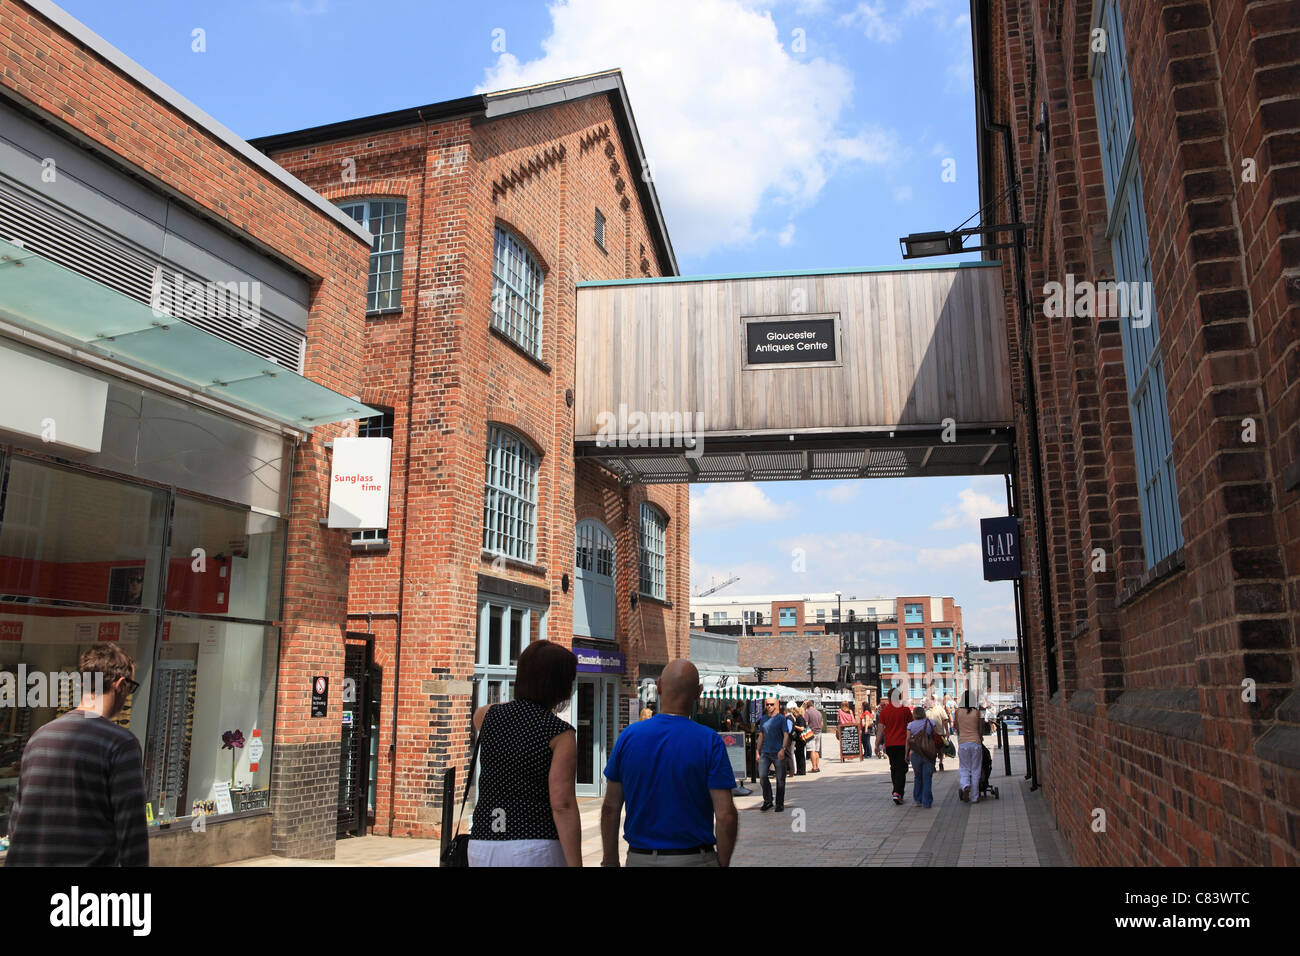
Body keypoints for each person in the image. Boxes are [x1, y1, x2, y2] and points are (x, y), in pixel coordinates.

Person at [5, 643, 148, 866]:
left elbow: (17, 822)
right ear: (120, 685)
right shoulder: (121, 744)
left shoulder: (38, 738)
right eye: (131, 687)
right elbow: (132, 832)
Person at [600, 660, 738, 867]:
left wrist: (610, 859)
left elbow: (610, 807)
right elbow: (725, 814)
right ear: (698, 692)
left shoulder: (628, 737)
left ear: (660, 686)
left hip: (640, 858)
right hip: (695, 857)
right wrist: (722, 862)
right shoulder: (709, 741)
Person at [467, 641, 581, 866]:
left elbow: (486, 714)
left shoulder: (487, 716)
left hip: (483, 841)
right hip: (535, 844)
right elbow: (562, 804)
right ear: (559, 685)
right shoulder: (560, 733)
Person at [877, 686, 913, 805]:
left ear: (888, 698)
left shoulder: (884, 711)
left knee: (894, 767)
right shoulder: (905, 710)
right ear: (900, 697)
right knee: (902, 769)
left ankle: (896, 792)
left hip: (890, 744)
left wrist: (877, 744)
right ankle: (898, 792)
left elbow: (881, 730)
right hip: (903, 744)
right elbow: (912, 727)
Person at [755, 698, 790, 812]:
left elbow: (786, 735)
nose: (769, 706)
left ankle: (779, 803)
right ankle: (768, 800)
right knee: (763, 776)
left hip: (777, 751)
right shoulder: (763, 719)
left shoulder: (781, 719)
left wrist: (783, 749)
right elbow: (761, 735)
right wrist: (757, 750)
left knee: (780, 779)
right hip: (765, 751)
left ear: (777, 705)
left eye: (771, 704)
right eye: (767, 704)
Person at [905, 705, 942, 809]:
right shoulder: (931, 723)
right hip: (929, 753)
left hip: (916, 753)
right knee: (927, 778)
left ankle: (918, 799)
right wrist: (938, 752)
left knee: (918, 777)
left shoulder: (910, 725)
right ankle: (927, 801)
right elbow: (936, 738)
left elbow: (907, 740)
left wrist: (906, 754)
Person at [954, 690, 986, 804]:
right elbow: (981, 729)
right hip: (975, 743)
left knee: (964, 767)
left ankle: (965, 785)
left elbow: (956, 727)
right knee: (976, 769)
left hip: (963, 743)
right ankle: (974, 797)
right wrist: (980, 737)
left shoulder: (957, 712)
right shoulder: (978, 712)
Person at [926, 694, 950, 772]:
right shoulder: (926, 711)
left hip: (940, 733)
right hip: (930, 734)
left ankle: (940, 763)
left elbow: (945, 720)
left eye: (929, 701)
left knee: (940, 750)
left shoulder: (940, 709)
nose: (928, 703)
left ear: (933, 701)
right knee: (932, 751)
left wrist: (947, 731)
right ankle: (933, 765)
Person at [803, 700, 823, 772]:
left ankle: (814, 767)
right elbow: (822, 723)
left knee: (812, 750)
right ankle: (817, 766)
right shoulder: (818, 712)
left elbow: (806, 723)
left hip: (811, 733)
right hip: (819, 732)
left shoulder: (807, 712)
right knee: (817, 751)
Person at [790, 704, 808, 775]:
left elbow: (802, 728)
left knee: (800, 755)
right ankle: (800, 770)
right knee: (800, 755)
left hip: (801, 739)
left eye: (793, 713)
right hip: (800, 739)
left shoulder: (799, 718)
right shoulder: (800, 718)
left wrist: (794, 726)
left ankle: (801, 771)